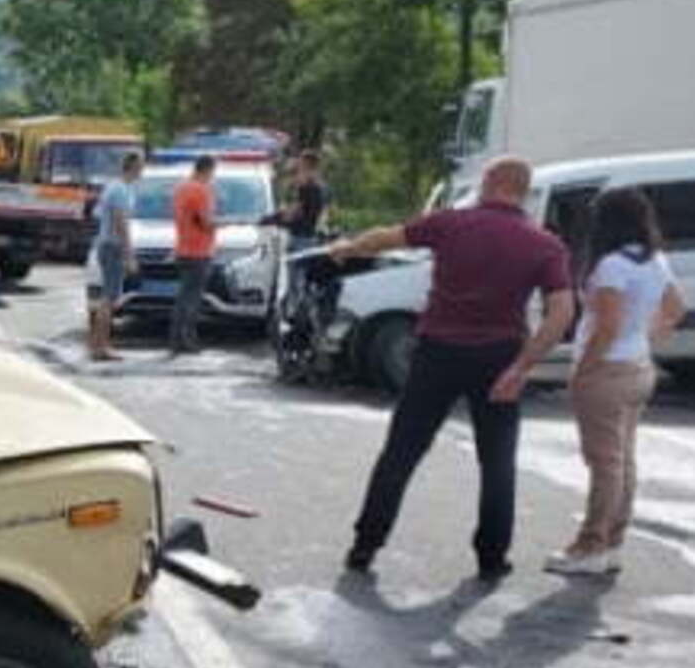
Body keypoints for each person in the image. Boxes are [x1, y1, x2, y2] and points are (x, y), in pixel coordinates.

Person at [330, 156, 577, 582]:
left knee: (401, 452)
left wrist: (346, 247)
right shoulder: (545, 245)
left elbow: (386, 239)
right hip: (500, 358)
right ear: (523, 190)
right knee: (497, 463)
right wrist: (522, 368)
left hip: (437, 353)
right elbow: (561, 313)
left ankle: (365, 545)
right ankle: (491, 558)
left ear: (489, 182)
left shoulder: (451, 223)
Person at [545, 187, 689, 576]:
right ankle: (611, 543)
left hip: (607, 371)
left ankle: (590, 547)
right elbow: (675, 310)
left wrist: (582, 370)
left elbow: (606, 327)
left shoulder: (611, 265)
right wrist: (644, 339)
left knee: (605, 464)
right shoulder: (655, 260)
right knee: (622, 461)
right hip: (638, 368)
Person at [88, 151, 143, 361]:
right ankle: (101, 346)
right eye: (140, 166)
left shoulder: (114, 187)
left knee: (107, 297)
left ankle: (97, 343)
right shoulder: (121, 190)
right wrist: (129, 255)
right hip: (113, 246)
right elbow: (121, 223)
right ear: (133, 167)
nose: (142, 171)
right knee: (109, 298)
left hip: (106, 244)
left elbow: (98, 214)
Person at [170, 155, 218, 354]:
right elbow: (205, 222)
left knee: (183, 295)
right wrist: (221, 223)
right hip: (199, 250)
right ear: (207, 170)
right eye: (212, 172)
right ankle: (187, 339)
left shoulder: (181, 188)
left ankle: (176, 337)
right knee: (192, 298)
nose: (213, 176)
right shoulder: (201, 190)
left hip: (183, 247)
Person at [277, 149, 329, 244]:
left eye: (301, 166)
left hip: (299, 236)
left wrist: (281, 217)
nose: (299, 169)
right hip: (309, 235)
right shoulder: (321, 186)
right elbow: (324, 212)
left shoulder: (309, 187)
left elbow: (293, 213)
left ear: (307, 167)